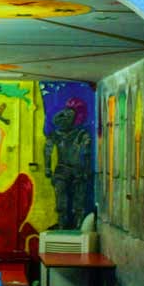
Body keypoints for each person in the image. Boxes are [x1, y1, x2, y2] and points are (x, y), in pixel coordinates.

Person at [44, 98, 92, 229]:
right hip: (68, 169)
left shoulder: (80, 134)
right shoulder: (77, 134)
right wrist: (47, 167)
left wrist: (48, 168)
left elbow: (48, 150)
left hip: (72, 169)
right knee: (65, 199)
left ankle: (72, 223)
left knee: (77, 199)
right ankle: (66, 223)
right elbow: (47, 150)